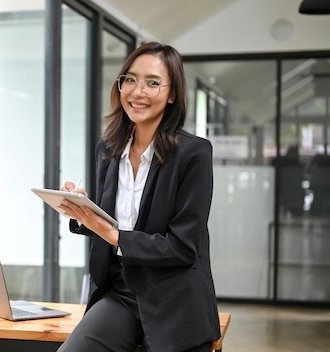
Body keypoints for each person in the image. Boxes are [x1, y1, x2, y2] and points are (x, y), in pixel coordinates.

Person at [57, 42, 220, 352]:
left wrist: (117, 237)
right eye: (129, 79)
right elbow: (110, 224)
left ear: (172, 94)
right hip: (121, 292)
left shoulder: (194, 154)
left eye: (153, 82)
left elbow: (184, 247)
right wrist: (83, 211)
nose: (137, 91)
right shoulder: (108, 149)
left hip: (174, 301)